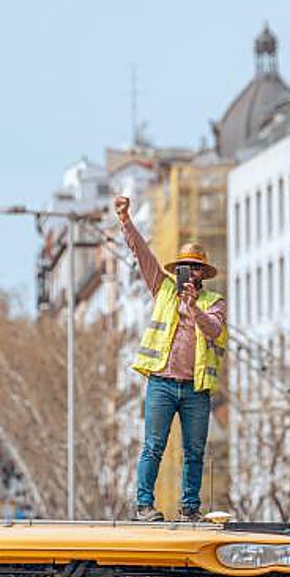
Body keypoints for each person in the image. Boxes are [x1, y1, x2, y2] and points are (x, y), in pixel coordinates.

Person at [115, 195, 228, 523]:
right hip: (161, 384)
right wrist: (125, 220)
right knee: (153, 446)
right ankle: (144, 505)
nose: (189, 272)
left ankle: (190, 508)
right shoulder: (163, 290)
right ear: (177, 270)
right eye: (184, 267)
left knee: (194, 452)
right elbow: (142, 254)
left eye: (194, 267)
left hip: (195, 389)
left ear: (202, 273)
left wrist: (194, 308)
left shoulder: (213, 302)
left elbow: (215, 330)